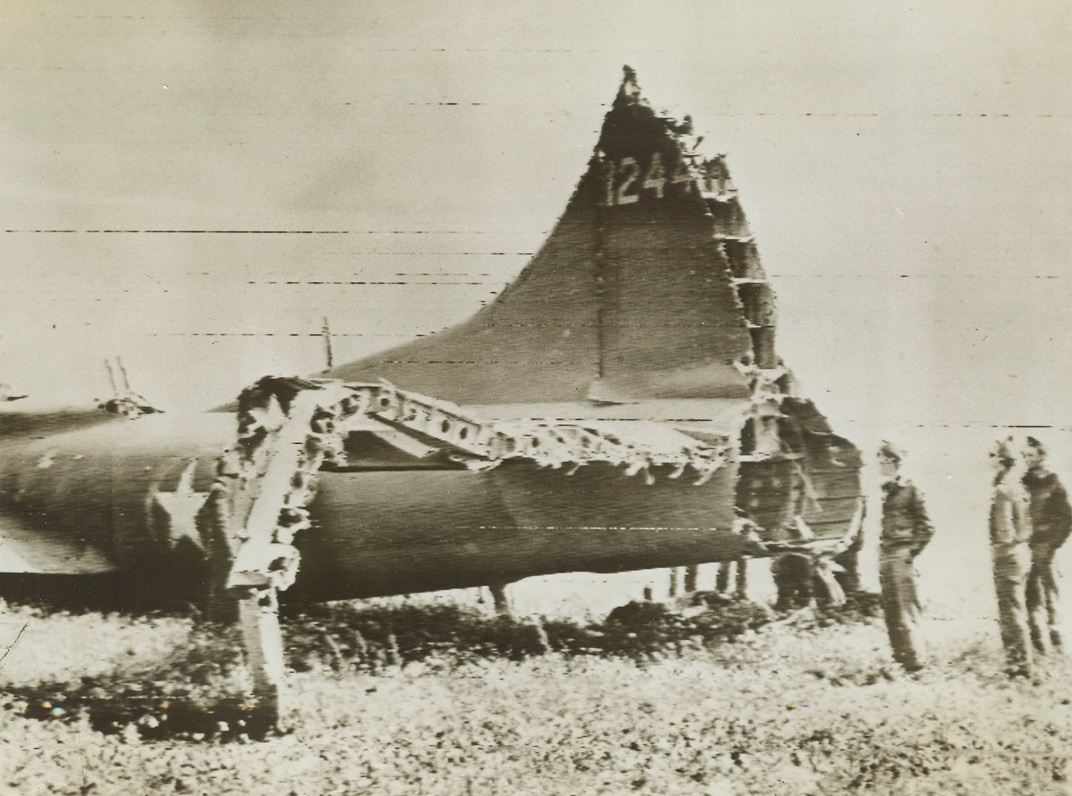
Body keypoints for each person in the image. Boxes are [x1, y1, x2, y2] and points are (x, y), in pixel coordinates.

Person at [877, 441, 935, 672]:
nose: (879, 464)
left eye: (882, 460)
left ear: (892, 462)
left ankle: (916, 663)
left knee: (906, 610)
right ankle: (901, 660)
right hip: (886, 554)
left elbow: (927, 527)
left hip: (901, 555)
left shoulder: (910, 490)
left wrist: (910, 552)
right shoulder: (883, 490)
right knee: (892, 611)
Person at [1021, 436, 1072, 655]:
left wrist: (1053, 544)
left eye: (1031, 455)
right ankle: (1038, 646)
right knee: (1030, 595)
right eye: (1024, 456)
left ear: (1042, 457)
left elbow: (1068, 517)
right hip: (1027, 547)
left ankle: (1059, 646)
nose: (1027, 460)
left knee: (1050, 597)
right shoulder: (1022, 481)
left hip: (1045, 547)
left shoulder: (1053, 482)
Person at [989, 438, 1034, 677]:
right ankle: (1021, 666)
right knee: (1016, 611)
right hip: (1021, 554)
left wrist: (998, 551)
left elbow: (1004, 531)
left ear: (1001, 461)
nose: (990, 461)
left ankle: (1020, 669)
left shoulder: (1001, 490)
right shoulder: (1017, 486)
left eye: (992, 456)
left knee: (1011, 614)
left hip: (1007, 557)